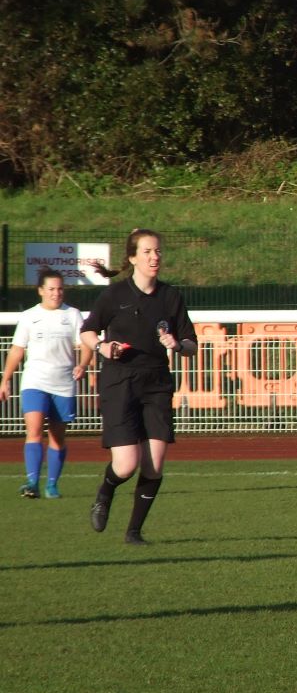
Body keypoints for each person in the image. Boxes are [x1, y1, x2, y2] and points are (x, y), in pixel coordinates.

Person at [80, 229, 198, 545]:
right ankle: (105, 491)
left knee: (154, 465)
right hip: (119, 382)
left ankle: (134, 532)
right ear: (133, 257)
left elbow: (191, 345)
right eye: (147, 251)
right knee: (126, 464)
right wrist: (103, 347)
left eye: (158, 251)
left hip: (156, 382)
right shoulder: (113, 295)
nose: (154, 257)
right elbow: (88, 332)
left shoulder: (171, 296)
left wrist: (177, 344)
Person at [0, 267, 94, 499]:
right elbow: (17, 350)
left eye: (60, 289)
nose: (56, 293)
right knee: (33, 431)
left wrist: (82, 365)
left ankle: (52, 485)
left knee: (57, 436)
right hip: (35, 381)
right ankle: (32, 482)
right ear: (40, 290)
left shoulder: (72, 315)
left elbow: (86, 344)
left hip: (63, 383)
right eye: (51, 289)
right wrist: (6, 379)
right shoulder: (30, 316)